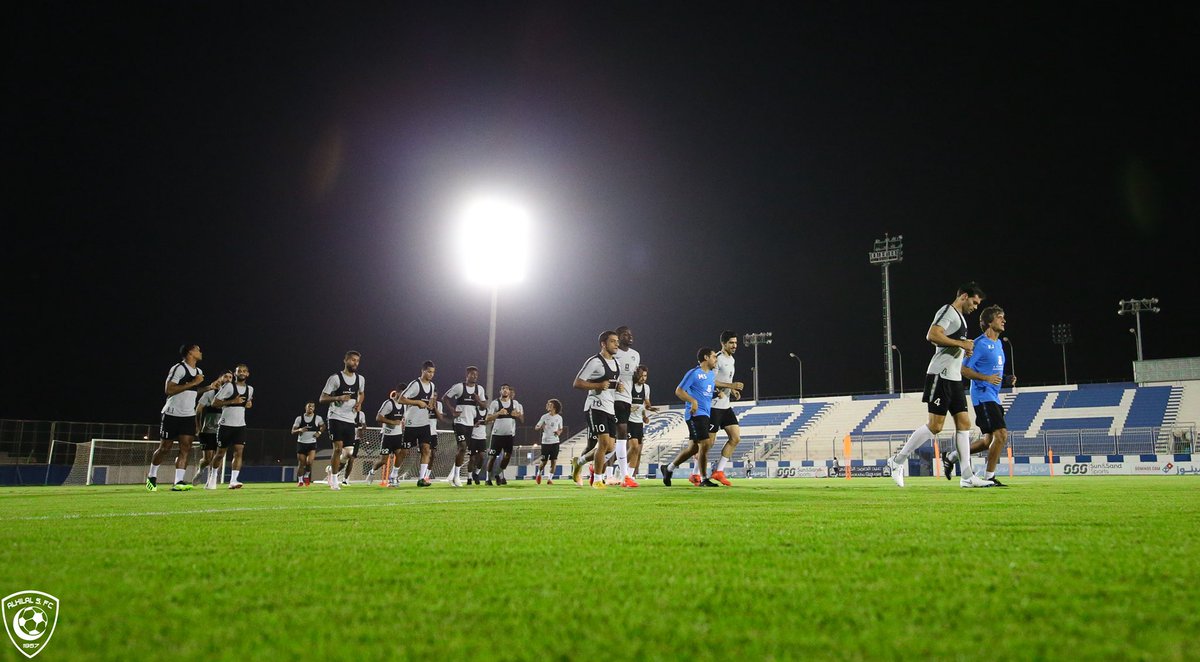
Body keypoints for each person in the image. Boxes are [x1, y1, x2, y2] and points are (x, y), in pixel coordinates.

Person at [886, 282, 992, 488]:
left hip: (953, 378)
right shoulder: (948, 311)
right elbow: (932, 335)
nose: (975, 307)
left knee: (964, 424)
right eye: (974, 302)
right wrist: (962, 344)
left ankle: (967, 476)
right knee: (935, 426)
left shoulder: (960, 318)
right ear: (963, 296)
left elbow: (949, 342)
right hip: (940, 375)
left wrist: (964, 347)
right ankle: (897, 461)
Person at [953, 305, 1014, 487]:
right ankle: (989, 477)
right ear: (989, 322)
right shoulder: (979, 344)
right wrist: (986, 378)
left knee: (988, 441)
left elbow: (993, 372)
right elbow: (963, 369)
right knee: (1001, 434)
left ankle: (952, 456)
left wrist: (1006, 378)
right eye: (999, 317)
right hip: (982, 395)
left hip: (993, 396)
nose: (1004, 320)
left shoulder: (999, 344)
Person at [149, 343, 223, 492]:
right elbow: (169, 389)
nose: (201, 352)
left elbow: (193, 391)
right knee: (165, 448)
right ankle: (151, 476)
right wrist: (193, 382)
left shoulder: (199, 371)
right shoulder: (178, 368)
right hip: (171, 413)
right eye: (198, 349)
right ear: (190, 352)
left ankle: (178, 482)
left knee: (186, 448)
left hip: (188, 415)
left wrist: (209, 387)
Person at [571, 331, 624, 489]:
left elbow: (610, 384)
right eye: (613, 341)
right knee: (603, 443)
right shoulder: (594, 362)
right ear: (603, 344)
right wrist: (597, 386)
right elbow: (577, 383)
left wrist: (618, 386)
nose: (617, 344)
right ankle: (598, 480)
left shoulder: (617, 363)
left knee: (610, 447)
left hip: (610, 407)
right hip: (595, 406)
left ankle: (579, 462)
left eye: (617, 341)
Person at [661, 348, 720, 487]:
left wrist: (719, 394)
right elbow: (679, 391)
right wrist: (692, 401)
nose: (716, 359)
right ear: (706, 357)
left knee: (693, 448)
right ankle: (704, 478)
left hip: (706, 414)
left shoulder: (711, 375)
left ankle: (668, 468)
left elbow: (706, 393)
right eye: (713, 357)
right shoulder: (694, 373)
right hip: (694, 414)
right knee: (705, 444)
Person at [319, 351, 365, 491]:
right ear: (345, 360)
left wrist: (359, 403)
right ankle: (334, 480)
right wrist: (338, 398)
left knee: (349, 453)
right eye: (352, 360)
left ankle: (330, 469)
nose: (355, 363)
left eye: (357, 361)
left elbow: (361, 393)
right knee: (338, 449)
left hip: (350, 420)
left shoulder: (360, 379)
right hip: (335, 417)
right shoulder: (335, 378)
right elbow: (322, 398)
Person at [708, 331, 746, 486]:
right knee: (708, 443)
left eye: (736, 343)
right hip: (714, 406)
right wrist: (731, 386)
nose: (735, 345)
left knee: (735, 438)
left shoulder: (732, 359)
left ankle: (719, 471)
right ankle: (696, 473)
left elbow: (725, 380)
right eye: (731, 342)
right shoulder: (717, 359)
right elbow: (711, 381)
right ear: (723, 343)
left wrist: (732, 391)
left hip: (726, 406)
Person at [443, 366, 487, 487]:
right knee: (462, 447)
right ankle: (456, 477)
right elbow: (445, 397)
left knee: (462, 450)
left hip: (470, 424)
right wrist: (452, 409)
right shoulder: (459, 387)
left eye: (476, 375)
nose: (474, 376)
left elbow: (484, 407)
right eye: (472, 374)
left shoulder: (480, 389)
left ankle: (453, 476)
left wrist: (478, 400)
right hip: (459, 422)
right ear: (467, 375)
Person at [212, 364, 255, 489]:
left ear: (248, 374)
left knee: (238, 452)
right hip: (225, 424)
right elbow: (215, 402)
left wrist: (248, 404)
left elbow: (248, 403)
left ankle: (233, 480)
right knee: (220, 454)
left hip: (240, 425)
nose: (242, 373)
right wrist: (232, 401)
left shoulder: (250, 389)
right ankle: (213, 476)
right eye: (239, 371)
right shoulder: (229, 386)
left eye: (244, 371)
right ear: (235, 374)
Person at [398, 361, 437, 487]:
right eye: (429, 372)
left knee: (426, 450)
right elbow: (401, 399)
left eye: (433, 372)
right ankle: (393, 475)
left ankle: (421, 479)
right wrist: (417, 402)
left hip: (424, 423)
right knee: (404, 452)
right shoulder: (415, 384)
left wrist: (431, 405)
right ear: (423, 371)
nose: (431, 374)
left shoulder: (432, 385)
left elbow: (430, 400)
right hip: (411, 423)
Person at [611, 326, 641, 487]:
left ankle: (621, 475)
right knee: (616, 438)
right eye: (625, 334)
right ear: (618, 337)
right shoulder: (613, 354)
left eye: (631, 334)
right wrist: (614, 384)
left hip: (627, 400)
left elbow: (633, 377)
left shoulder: (635, 355)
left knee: (613, 441)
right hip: (612, 399)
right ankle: (621, 475)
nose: (629, 336)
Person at [192, 370, 232, 486]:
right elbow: (198, 410)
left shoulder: (231, 394)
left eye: (230, 377)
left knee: (218, 456)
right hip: (208, 430)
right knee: (207, 459)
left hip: (223, 430)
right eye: (226, 376)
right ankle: (200, 470)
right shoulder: (210, 393)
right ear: (220, 378)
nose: (228, 379)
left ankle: (211, 480)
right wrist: (198, 426)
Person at [485, 384, 524, 485]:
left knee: (507, 456)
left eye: (507, 389)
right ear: (500, 391)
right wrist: (498, 413)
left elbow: (522, 420)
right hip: (497, 435)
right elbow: (488, 419)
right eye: (503, 388)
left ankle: (498, 474)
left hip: (509, 435)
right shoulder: (495, 403)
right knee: (492, 457)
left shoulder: (515, 404)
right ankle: (488, 479)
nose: (506, 391)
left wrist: (518, 415)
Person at [627, 365, 658, 479]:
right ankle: (623, 470)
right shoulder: (630, 386)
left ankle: (630, 476)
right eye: (641, 375)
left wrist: (647, 412)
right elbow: (624, 403)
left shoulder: (646, 388)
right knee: (634, 447)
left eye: (645, 376)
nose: (643, 378)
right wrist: (629, 408)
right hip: (628, 420)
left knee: (638, 450)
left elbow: (646, 404)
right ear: (636, 375)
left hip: (638, 421)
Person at [371, 389, 406, 487]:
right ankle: (372, 471)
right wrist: (392, 422)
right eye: (403, 393)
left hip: (398, 435)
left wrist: (403, 423)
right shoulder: (388, 403)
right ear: (398, 392)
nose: (404, 395)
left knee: (400, 454)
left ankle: (393, 477)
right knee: (383, 461)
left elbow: (403, 418)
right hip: (386, 435)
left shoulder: (404, 405)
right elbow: (378, 418)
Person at [292, 402, 325, 486]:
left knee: (309, 462)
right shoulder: (299, 418)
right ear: (305, 408)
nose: (310, 408)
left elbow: (323, 426)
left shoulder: (318, 418)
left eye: (312, 407)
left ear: (314, 408)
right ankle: (300, 481)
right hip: (301, 443)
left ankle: (306, 475)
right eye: (309, 407)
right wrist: (299, 430)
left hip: (312, 444)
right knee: (301, 463)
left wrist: (319, 432)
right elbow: (292, 431)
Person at [534, 399, 564, 484]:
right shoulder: (544, 417)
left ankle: (550, 479)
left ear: (554, 407)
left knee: (553, 461)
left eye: (549, 404)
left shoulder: (559, 418)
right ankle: (539, 474)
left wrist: (559, 432)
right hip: (545, 442)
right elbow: (537, 426)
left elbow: (561, 429)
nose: (547, 405)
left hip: (555, 442)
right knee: (544, 462)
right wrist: (538, 427)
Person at [336, 409, 367, 486]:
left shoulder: (361, 414)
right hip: (345, 439)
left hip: (355, 440)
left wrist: (362, 429)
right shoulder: (346, 412)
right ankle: (334, 473)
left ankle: (345, 479)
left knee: (351, 459)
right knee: (343, 461)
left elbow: (364, 425)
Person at [468, 402, 489, 484]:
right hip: (473, 437)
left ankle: (476, 474)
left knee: (482, 457)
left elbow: (489, 420)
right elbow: (468, 422)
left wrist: (488, 422)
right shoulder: (474, 410)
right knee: (472, 459)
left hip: (482, 438)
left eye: (485, 402)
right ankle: (469, 478)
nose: (484, 404)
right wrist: (474, 424)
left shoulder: (488, 411)